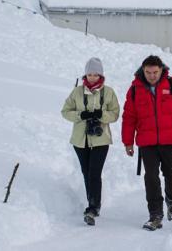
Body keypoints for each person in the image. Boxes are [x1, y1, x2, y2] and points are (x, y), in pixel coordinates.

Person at [122, 55, 172, 231]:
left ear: (161, 69)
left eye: (155, 72)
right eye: (148, 72)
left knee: (171, 175)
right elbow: (129, 117)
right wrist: (128, 141)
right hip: (146, 142)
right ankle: (155, 214)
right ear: (143, 70)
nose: (152, 76)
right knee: (150, 177)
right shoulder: (135, 89)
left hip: (171, 139)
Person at [61, 57, 120, 226]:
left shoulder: (108, 92)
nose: (92, 77)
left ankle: (93, 207)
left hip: (101, 139)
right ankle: (93, 203)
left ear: (101, 74)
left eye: (96, 74)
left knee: (94, 172)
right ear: (85, 74)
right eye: (89, 74)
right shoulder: (77, 92)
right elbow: (65, 111)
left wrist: (102, 115)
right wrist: (81, 115)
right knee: (86, 172)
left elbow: (115, 114)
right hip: (80, 140)